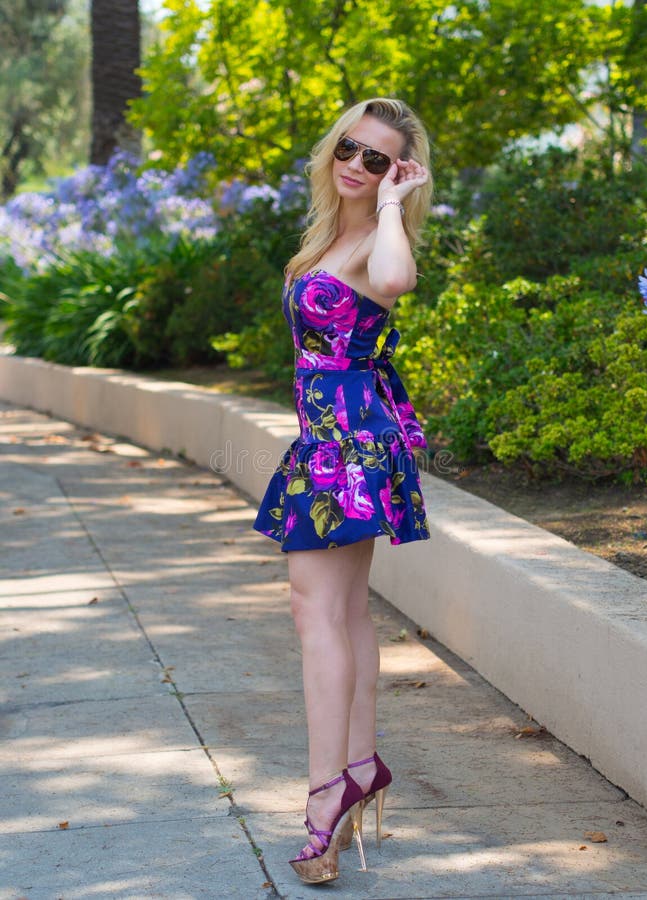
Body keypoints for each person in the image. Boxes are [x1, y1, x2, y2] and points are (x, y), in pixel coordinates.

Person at [253, 97, 432, 884]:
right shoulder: (329, 236)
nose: (356, 166)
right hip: (330, 438)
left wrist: (393, 205)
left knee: (314, 610)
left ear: (394, 171)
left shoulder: (376, 240)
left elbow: (398, 280)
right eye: (350, 150)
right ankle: (357, 765)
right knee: (345, 610)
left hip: (351, 444)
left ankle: (328, 793)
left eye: (377, 160)